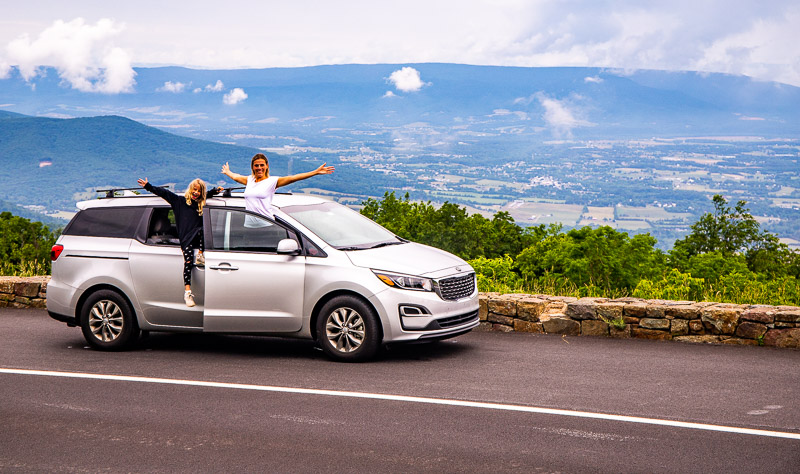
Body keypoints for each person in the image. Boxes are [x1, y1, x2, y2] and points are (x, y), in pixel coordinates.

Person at [137, 177, 222, 307]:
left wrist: (215, 191)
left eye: (199, 191)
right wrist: (148, 186)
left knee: (204, 229)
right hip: (186, 239)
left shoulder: (200, 202)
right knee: (188, 262)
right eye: (194, 189)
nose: (196, 193)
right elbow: (164, 193)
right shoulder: (179, 202)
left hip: (198, 239)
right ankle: (187, 292)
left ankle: (200, 254)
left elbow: (207, 194)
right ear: (190, 189)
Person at [221, 153, 334, 219]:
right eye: (256, 165)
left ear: (266, 166)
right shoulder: (249, 180)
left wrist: (315, 172)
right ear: (252, 167)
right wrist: (227, 172)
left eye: (262, 165)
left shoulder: (272, 181)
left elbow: (294, 177)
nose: (259, 168)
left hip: (267, 223)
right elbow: (236, 177)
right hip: (249, 224)